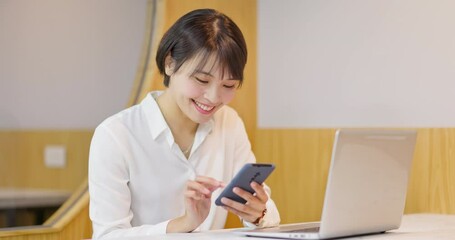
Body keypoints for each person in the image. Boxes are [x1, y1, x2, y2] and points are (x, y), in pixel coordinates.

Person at [88, 8, 280, 239]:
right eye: (202, 80)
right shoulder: (115, 135)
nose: (213, 97)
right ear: (170, 63)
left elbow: (269, 215)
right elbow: (108, 235)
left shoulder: (229, 122)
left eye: (228, 86)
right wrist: (183, 224)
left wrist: (257, 213)